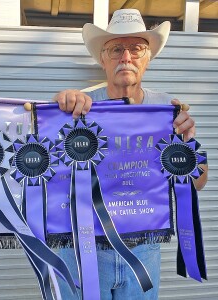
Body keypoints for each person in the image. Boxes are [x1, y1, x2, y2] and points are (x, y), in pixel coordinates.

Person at [53, 9, 208, 300]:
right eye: (116, 49)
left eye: (136, 48)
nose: (126, 57)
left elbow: (199, 182)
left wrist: (187, 147)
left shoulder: (168, 110)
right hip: (83, 247)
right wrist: (58, 109)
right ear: (103, 59)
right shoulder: (78, 107)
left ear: (148, 58)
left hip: (142, 247)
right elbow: (47, 161)